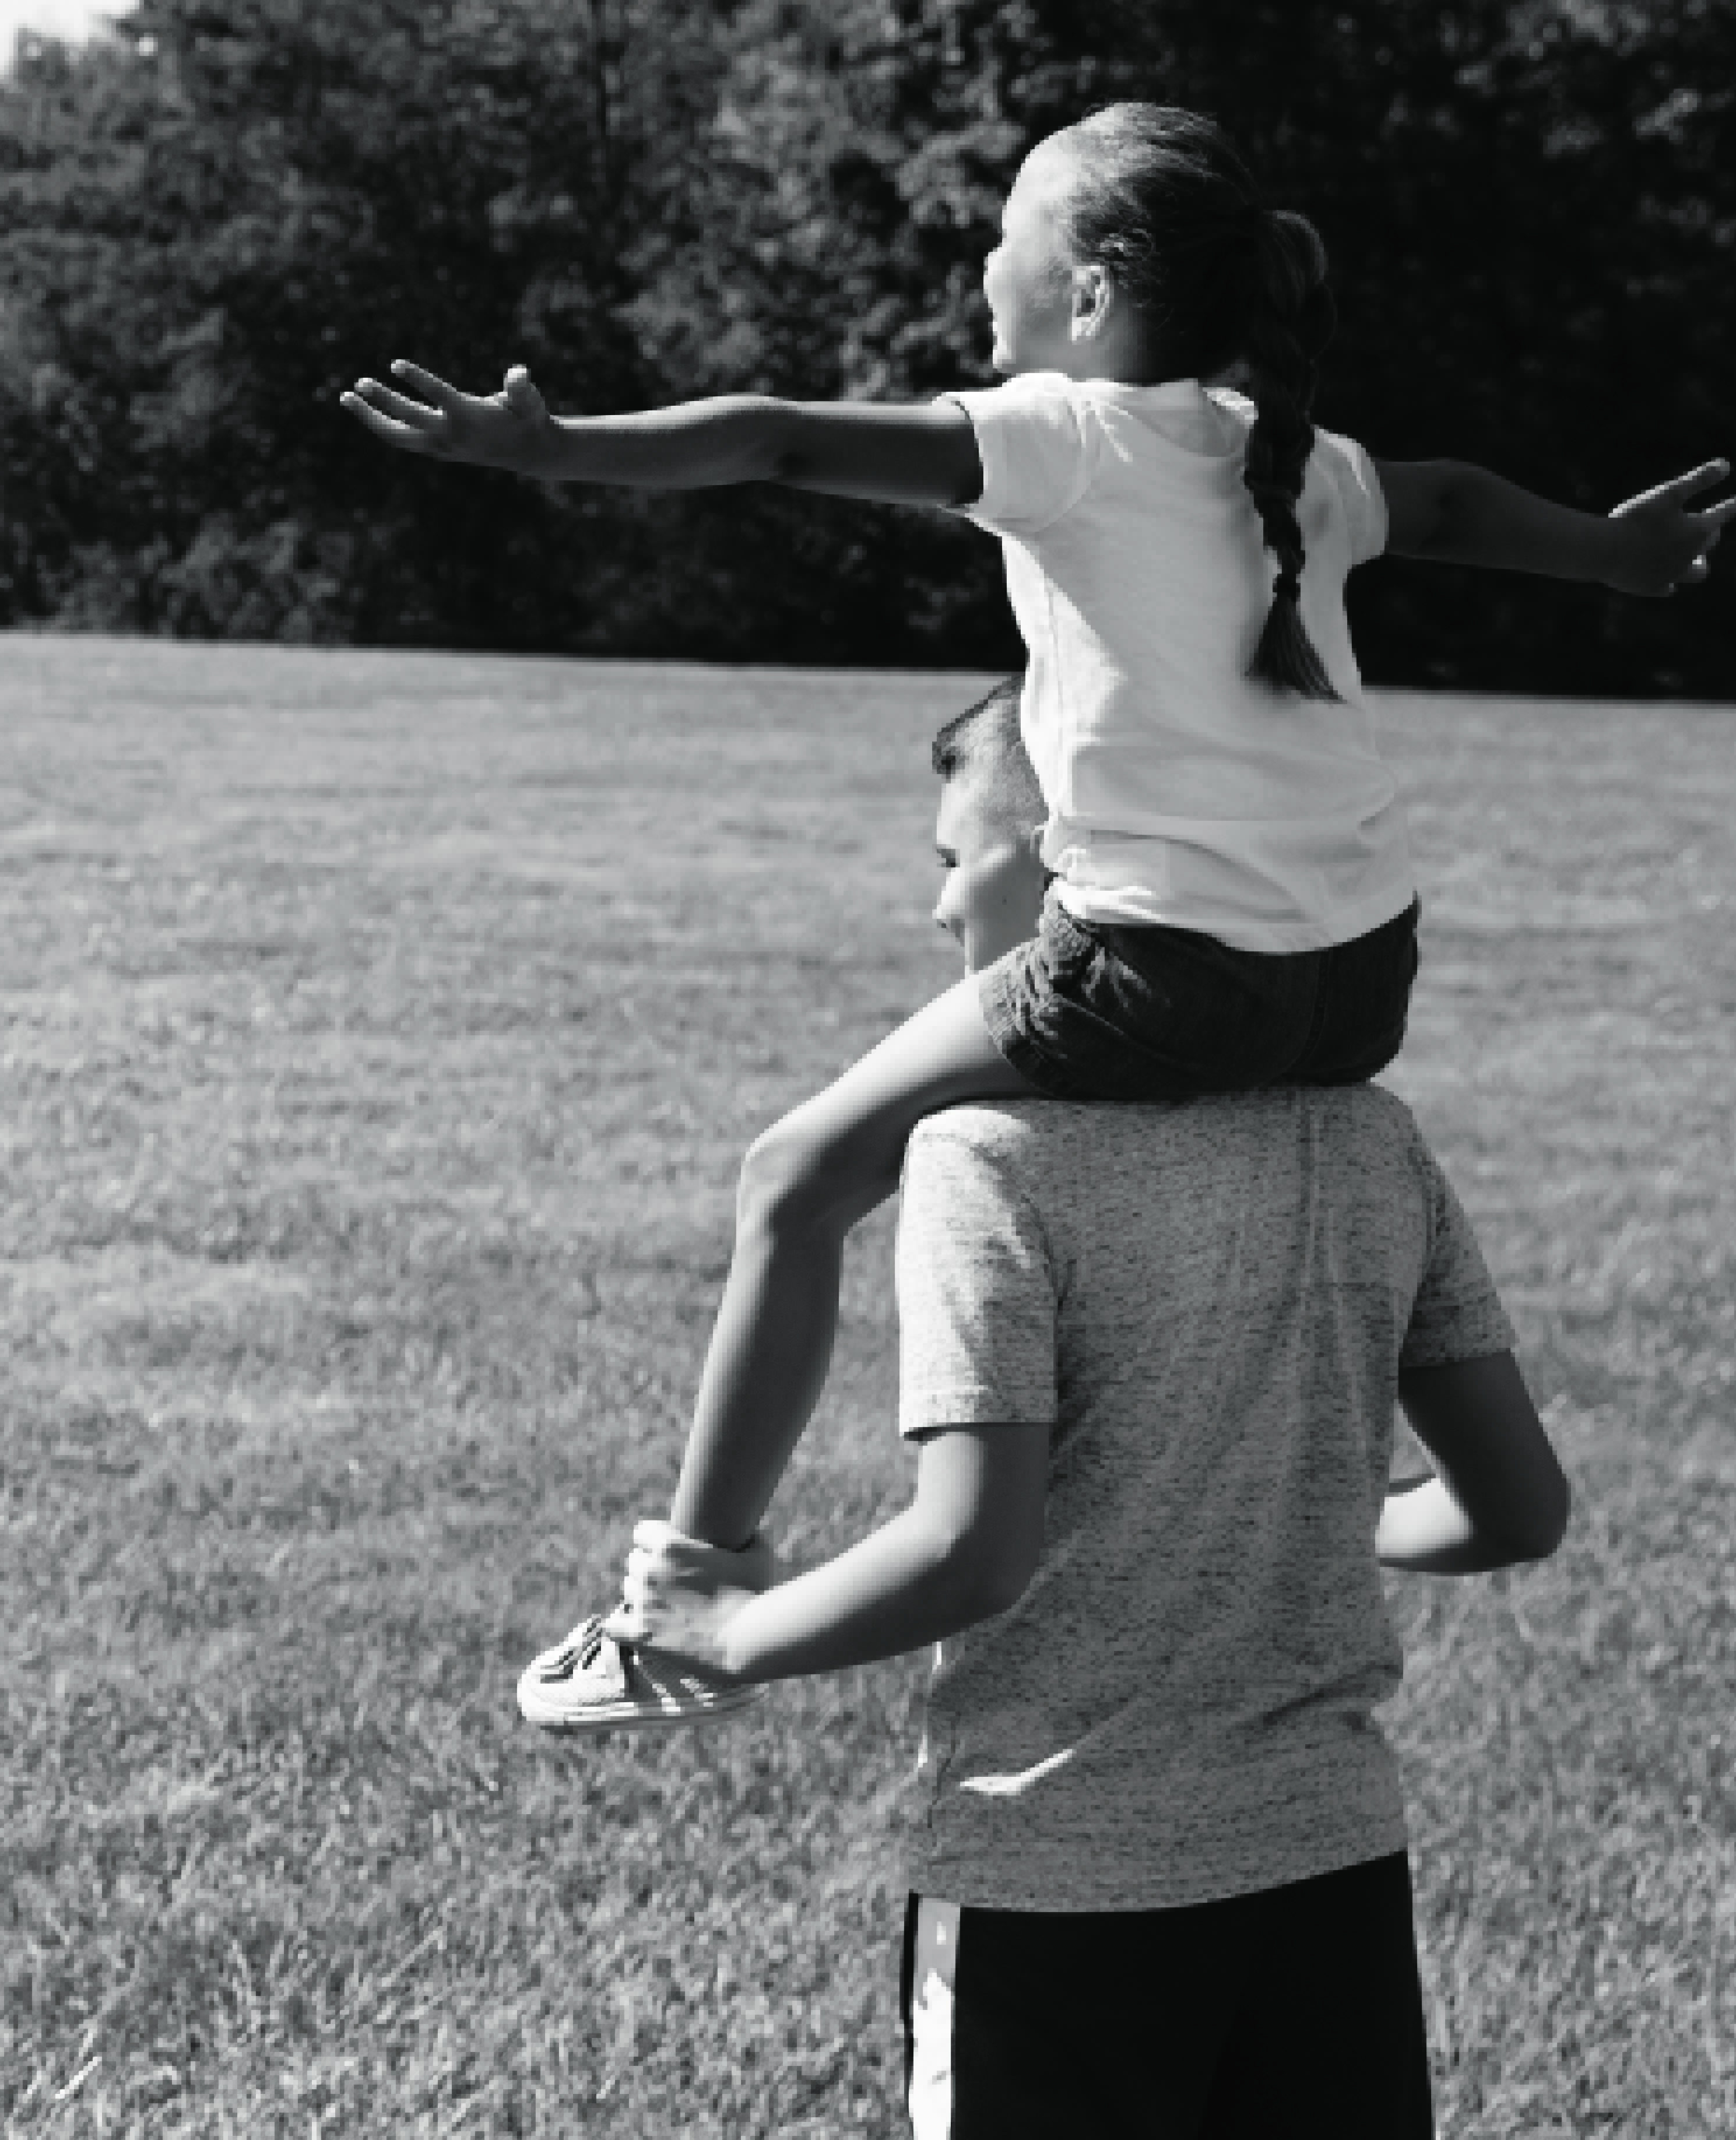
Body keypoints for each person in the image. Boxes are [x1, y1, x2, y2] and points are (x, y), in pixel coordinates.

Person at [339, 101, 1720, 1719]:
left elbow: (779, 437)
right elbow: (1468, 506)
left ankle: (682, 1591)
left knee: (791, 1172)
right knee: (872, 1148)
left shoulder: (1060, 430)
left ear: (1089, 290)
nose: (976, 254)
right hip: (1358, 983)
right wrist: (1609, 560)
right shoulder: (1294, 463)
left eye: (1006, 227)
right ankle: (1324, 1514)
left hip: (1159, 970)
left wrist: (554, 447)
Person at [596, 672, 1569, 2137]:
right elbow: (1516, 1510)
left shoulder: (983, 1154)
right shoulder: (1369, 1139)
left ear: (1069, 865)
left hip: (1052, 1878)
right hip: (1328, 1864)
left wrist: (726, 1631)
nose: (935, 912)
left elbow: (968, 1550)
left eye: (952, 861)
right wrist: (1300, 1513)